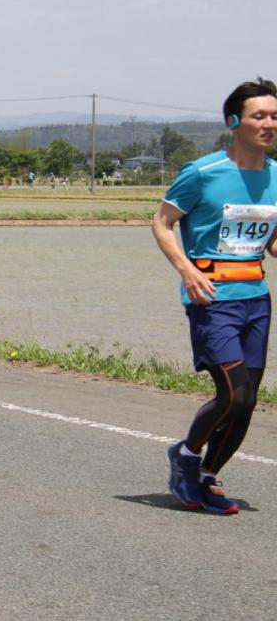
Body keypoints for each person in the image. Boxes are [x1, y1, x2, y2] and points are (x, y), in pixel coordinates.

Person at [152, 77, 277, 515]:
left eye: (275, 116)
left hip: (256, 300)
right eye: (259, 115)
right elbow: (162, 222)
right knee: (235, 394)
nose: (269, 124)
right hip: (212, 299)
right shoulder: (202, 173)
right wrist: (186, 270)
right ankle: (185, 457)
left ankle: (207, 475)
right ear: (233, 121)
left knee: (248, 401)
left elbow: (271, 240)